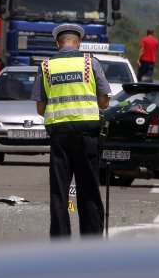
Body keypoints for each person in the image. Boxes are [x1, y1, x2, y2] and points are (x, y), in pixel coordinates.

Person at [32, 23, 112, 238]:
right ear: (78, 43)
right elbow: (104, 102)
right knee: (88, 188)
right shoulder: (90, 62)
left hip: (59, 135)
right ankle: (92, 241)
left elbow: (40, 108)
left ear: (58, 44)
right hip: (87, 134)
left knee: (60, 192)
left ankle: (60, 243)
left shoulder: (46, 66)